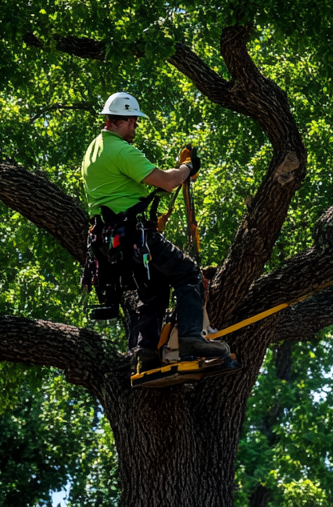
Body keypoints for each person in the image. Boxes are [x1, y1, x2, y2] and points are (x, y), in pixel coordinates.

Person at [81, 91, 231, 374]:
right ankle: (191, 338)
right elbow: (168, 181)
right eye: (134, 122)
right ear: (121, 120)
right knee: (187, 272)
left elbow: (133, 188)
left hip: (111, 242)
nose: (135, 128)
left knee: (153, 290)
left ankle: (144, 354)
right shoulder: (121, 150)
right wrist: (187, 167)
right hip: (134, 236)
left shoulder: (93, 150)